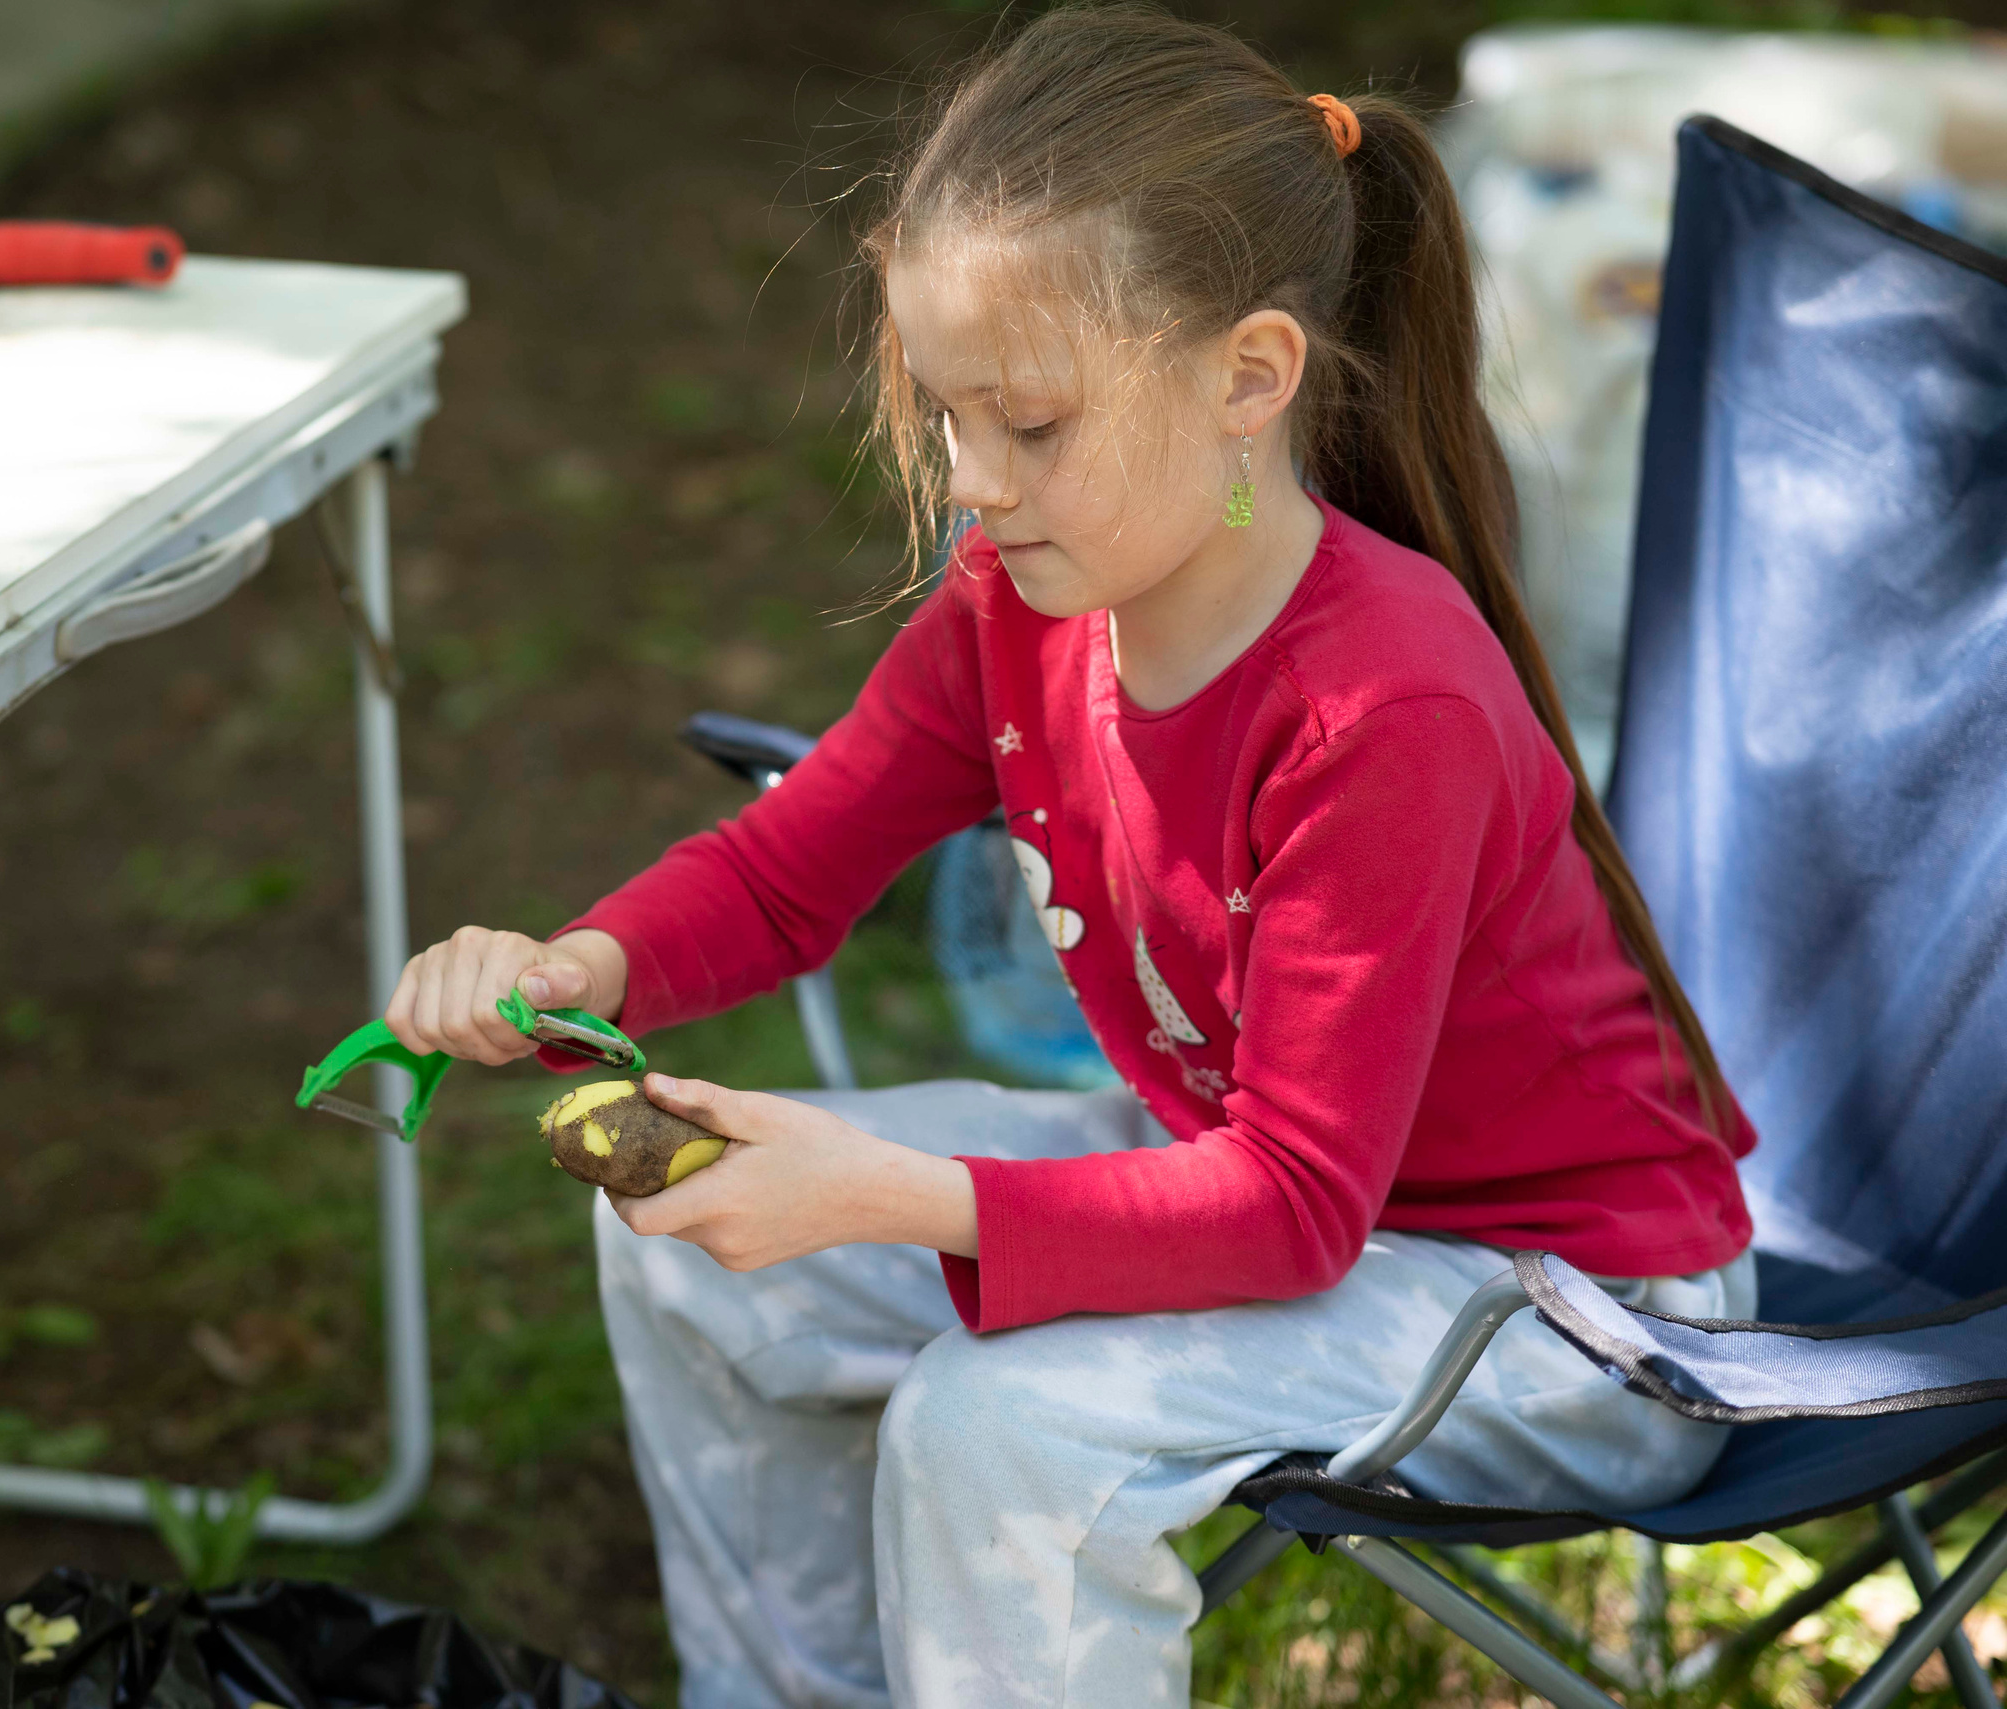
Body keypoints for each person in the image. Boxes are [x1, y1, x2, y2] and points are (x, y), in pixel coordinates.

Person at [383, 9, 1758, 1706]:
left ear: (1247, 379)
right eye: (947, 417)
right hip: (1273, 1191)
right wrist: (571, 970)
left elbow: (1296, 1203)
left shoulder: (1382, 704)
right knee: (689, 1246)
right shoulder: (1025, 612)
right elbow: (782, 872)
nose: (970, 483)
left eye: (1027, 426)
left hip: (1571, 1315)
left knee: (995, 1425)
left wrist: (880, 1191)